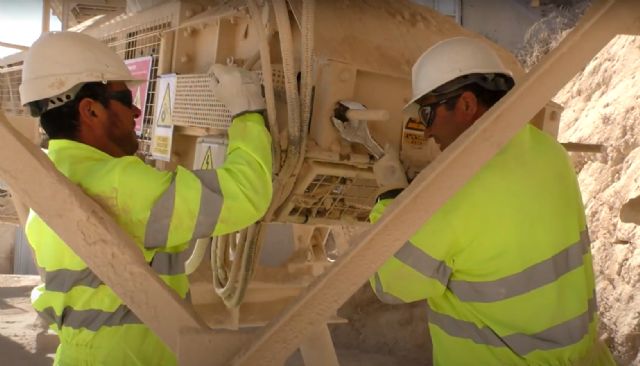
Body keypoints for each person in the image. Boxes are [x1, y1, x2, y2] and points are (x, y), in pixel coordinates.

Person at [19, 31, 272, 365]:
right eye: (125, 100)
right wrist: (247, 112)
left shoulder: (49, 177)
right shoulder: (119, 184)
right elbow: (246, 195)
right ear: (91, 111)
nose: (137, 111)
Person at [370, 37, 615, 365]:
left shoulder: (453, 190)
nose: (426, 132)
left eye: (426, 114)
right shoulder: (548, 151)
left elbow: (391, 282)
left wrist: (390, 197)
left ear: (467, 105)